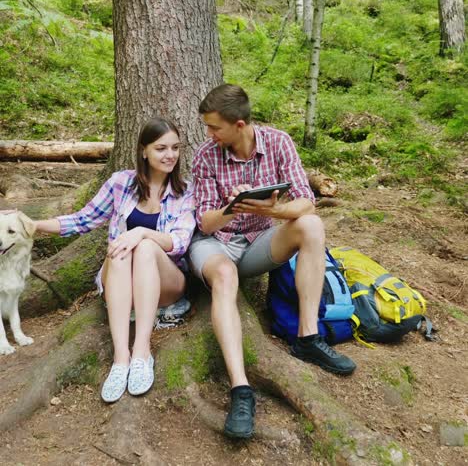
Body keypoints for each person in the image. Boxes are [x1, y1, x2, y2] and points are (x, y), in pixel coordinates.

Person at [189, 84, 356, 439]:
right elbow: (204, 222)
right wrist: (232, 209)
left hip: (258, 243)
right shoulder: (206, 155)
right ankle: (240, 388)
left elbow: (306, 203)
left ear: (239, 124)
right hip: (215, 243)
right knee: (223, 275)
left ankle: (307, 338)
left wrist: (272, 210)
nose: (209, 134)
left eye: (214, 127)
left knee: (310, 225)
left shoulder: (278, 142)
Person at [18, 118, 196, 403]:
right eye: (161, 148)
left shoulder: (185, 192)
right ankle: (121, 358)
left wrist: (140, 232)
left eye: (175, 148)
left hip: (165, 283)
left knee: (147, 247)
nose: (170, 155)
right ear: (143, 151)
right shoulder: (121, 183)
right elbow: (83, 220)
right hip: (122, 281)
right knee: (120, 248)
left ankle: (142, 352)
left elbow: (179, 242)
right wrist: (34, 224)